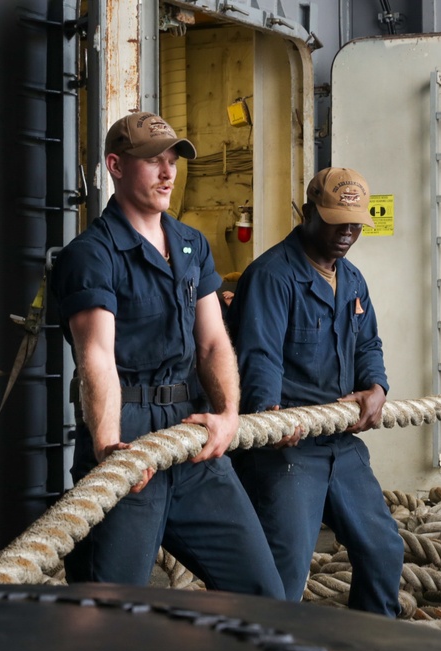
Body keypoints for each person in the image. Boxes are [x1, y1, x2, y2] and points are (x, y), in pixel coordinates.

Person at [51, 112, 285, 598]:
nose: (168, 172)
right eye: (153, 160)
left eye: (173, 159)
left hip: (190, 431)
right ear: (116, 166)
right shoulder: (92, 255)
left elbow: (213, 342)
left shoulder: (190, 244)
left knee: (264, 594)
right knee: (110, 612)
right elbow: (96, 356)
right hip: (130, 433)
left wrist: (227, 415)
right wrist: (108, 449)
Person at [227, 167, 403, 616]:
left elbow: (369, 343)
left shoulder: (353, 279)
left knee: (383, 550)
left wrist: (377, 387)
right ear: (307, 212)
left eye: (355, 223)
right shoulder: (272, 275)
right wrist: (269, 417)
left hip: (340, 442)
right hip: (288, 447)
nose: (347, 232)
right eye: (335, 220)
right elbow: (258, 355)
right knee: (285, 571)